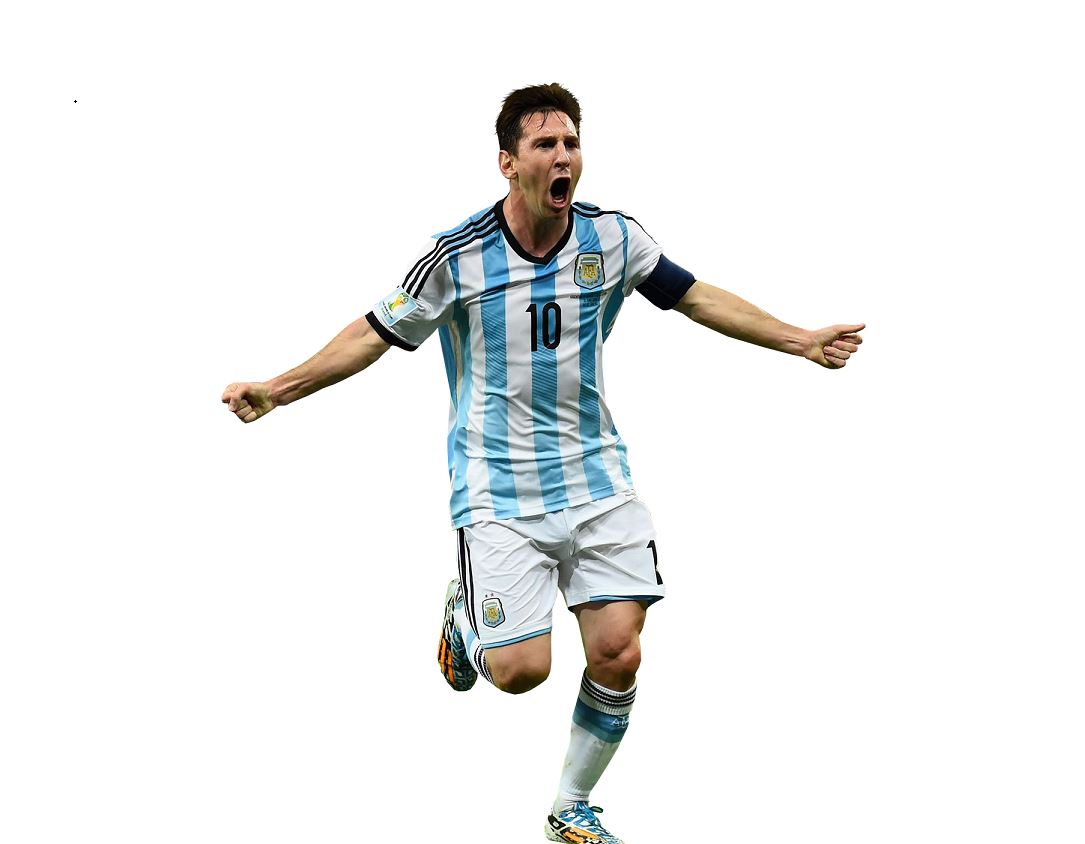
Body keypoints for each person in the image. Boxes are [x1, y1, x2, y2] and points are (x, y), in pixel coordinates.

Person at [222, 82, 864, 844]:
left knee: (618, 651)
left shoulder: (612, 239)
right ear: (508, 163)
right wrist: (278, 389)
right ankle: (466, 617)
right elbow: (372, 333)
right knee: (520, 673)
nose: (564, 157)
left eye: (571, 143)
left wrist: (799, 339)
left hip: (596, 479)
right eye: (545, 145)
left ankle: (570, 805)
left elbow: (694, 297)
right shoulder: (457, 257)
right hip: (497, 489)